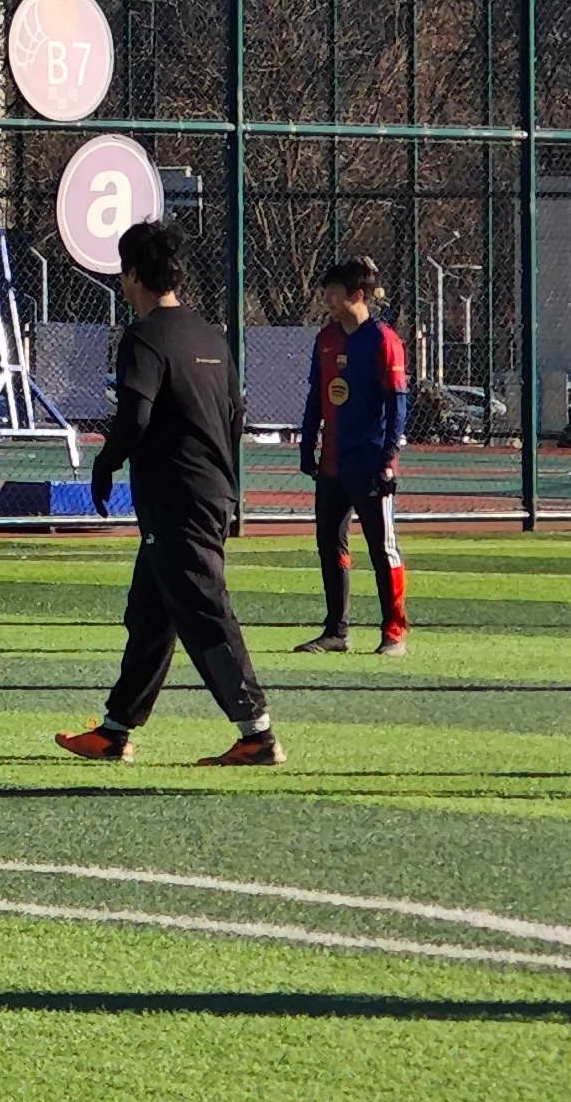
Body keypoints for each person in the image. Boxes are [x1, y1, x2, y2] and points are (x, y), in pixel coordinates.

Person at [54, 223, 279, 767]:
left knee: (204, 609)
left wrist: (106, 464)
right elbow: (235, 415)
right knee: (152, 612)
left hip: (175, 496)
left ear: (132, 275)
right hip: (208, 490)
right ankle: (114, 730)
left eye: (123, 275)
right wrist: (225, 483)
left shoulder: (144, 337)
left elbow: (135, 414)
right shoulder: (209, 335)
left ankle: (257, 733)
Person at [290, 257, 409, 657]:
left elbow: (397, 405)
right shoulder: (325, 339)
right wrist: (308, 445)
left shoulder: (383, 340)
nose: (328, 298)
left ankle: (394, 633)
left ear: (357, 296)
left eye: (335, 292)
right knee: (330, 543)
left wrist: (389, 457)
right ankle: (336, 631)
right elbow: (315, 396)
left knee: (382, 548)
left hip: (370, 463)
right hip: (333, 464)